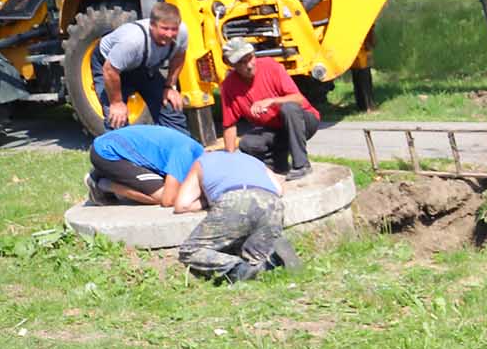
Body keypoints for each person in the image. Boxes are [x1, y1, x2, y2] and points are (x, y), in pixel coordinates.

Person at [172, 147, 298, 283]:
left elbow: (182, 205)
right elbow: (279, 190)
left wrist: (208, 200)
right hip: (271, 202)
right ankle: (273, 259)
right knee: (255, 256)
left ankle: (237, 269)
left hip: (234, 200)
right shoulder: (251, 159)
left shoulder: (202, 161)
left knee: (190, 251)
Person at [219, 39, 321, 180]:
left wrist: (272, 101)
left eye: (250, 58)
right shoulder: (229, 86)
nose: (249, 65)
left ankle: (302, 165)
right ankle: (277, 166)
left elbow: (298, 99)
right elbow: (229, 125)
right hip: (276, 130)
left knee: (288, 108)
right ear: (231, 65)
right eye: (242, 63)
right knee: (247, 143)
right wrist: (230, 161)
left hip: (304, 121)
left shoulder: (270, 65)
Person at [93, 2, 189, 133]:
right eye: (164, 29)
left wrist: (170, 86)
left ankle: (179, 148)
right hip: (110, 67)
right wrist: (116, 103)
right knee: (117, 117)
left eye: (173, 29)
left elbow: (179, 56)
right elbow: (110, 70)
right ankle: (119, 150)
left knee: (170, 106)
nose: (169, 34)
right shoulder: (132, 41)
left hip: (142, 65)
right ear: (152, 26)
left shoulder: (182, 33)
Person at [86, 122, 204, 208]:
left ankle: (108, 174)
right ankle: (100, 185)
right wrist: (202, 202)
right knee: (161, 195)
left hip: (117, 145)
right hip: (107, 152)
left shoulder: (198, 153)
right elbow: (168, 200)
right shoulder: (186, 154)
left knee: (172, 186)